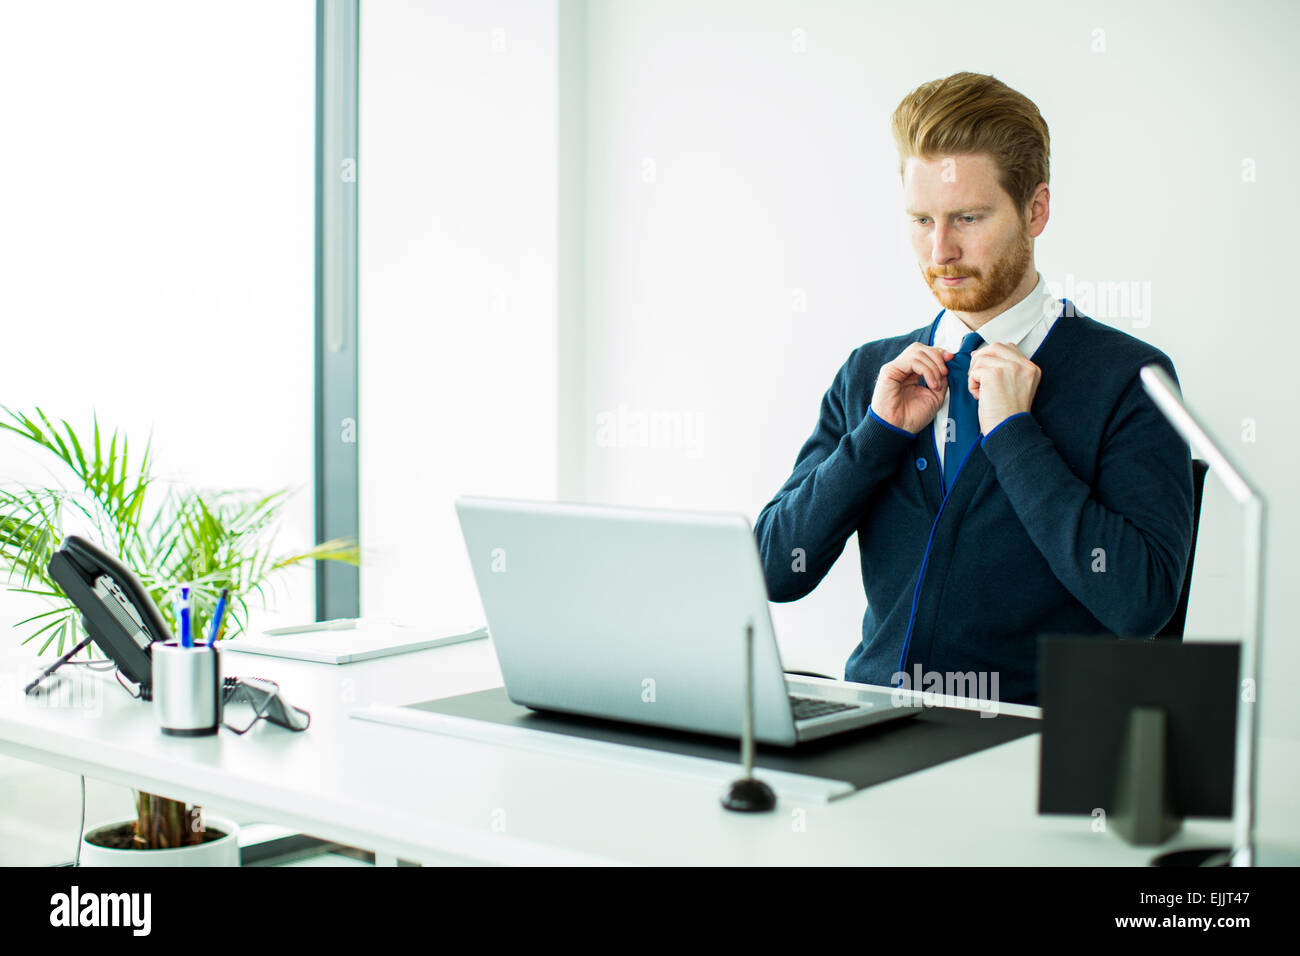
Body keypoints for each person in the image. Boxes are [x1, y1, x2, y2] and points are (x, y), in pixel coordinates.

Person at [754, 71, 1194, 705]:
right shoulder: (869, 373)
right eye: (921, 220)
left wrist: (1017, 438)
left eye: (967, 217)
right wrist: (876, 437)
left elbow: (1140, 603)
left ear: (1035, 210)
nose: (941, 251)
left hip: (1033, 753)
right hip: (872, 736)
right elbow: (774, 569)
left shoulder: (1131, 378)